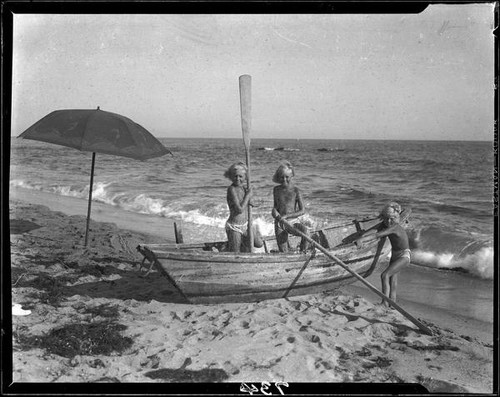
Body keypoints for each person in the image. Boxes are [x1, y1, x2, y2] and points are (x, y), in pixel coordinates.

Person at [356, 202, 410, 306]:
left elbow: (377, 235)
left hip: (404, 256)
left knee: (385, 275)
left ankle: (385, 302)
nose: (389, 221)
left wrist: (362, 240)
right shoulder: (386, 224)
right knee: (393, 279)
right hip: (395, 255)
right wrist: (362, 235)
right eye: (386, 218)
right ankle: (392, 303)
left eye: (392, 218)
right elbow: (374, 229)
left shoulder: (394, 227)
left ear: (396, 217)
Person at [271, 161, 310, 252]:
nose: (284, 179)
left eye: (287, 177)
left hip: (292, 222)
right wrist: (274, 213)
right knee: (283, 252)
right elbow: (275, 207)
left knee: (306, 232)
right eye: (282, 177)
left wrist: (287, 216)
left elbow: (302, 210)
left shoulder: (296, 190)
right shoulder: (276, 189)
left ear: (291, 176)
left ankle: (303, 251)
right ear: (279, 177)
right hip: (280, 223)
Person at [224, 162, 263, 252]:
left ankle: (253, 230)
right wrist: (248, 195)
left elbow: (249, 203)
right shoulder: (231, 189)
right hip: (235, 226)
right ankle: (230, 246)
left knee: (259, 243)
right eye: (235, 176)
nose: (238, 179)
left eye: (240, 176)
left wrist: (256, 200)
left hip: (246, 225)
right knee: (236, 252)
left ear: (245, 177)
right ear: (231, 177)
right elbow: (239, 209)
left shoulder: (244, 188)